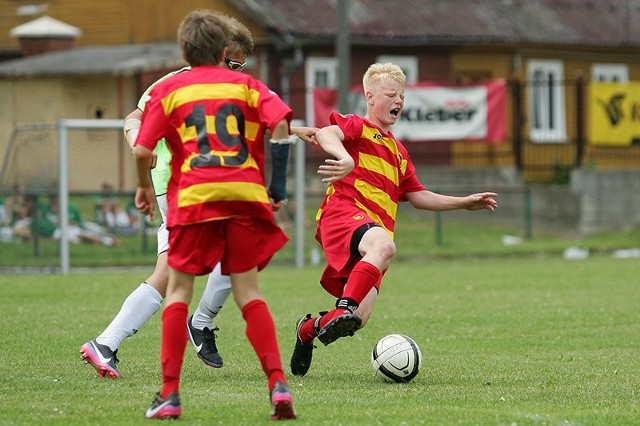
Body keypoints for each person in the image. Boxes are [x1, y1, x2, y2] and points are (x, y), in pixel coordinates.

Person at [134, 9, 296, 420]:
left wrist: (141, 186)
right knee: (249, 294)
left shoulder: (170, 90)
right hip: (243, 194)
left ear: (186, 50)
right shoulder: (246, 84)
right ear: (224, 51)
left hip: (194, 196)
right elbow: (282, 124)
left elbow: (142, 148)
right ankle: (278, 386)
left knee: (178, 292)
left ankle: (170, 394)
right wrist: (277, 188)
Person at [290, 62, 498, 377]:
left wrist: (463, 203)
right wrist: (344, 157)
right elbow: (326, 133)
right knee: (385, 248)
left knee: (359, 318)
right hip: (344, 212)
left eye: (402, 95)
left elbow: (418, 195)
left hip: (372, 233)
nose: (398, 100)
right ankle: (343, 308)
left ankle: (308, 329)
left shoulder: (399, 152)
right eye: (391, 94)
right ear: (370, 97)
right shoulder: (358, 127)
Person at [79, 13, 258, 378]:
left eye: (243, 66)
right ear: (215, 51)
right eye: (234, 62)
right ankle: (198, 323)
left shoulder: (226, 89)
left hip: (197, 185)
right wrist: (138, 146)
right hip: (179, 184)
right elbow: (134, 119)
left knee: (177, 268)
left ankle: (107, 344)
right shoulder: (179, 82)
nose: (239, 71)